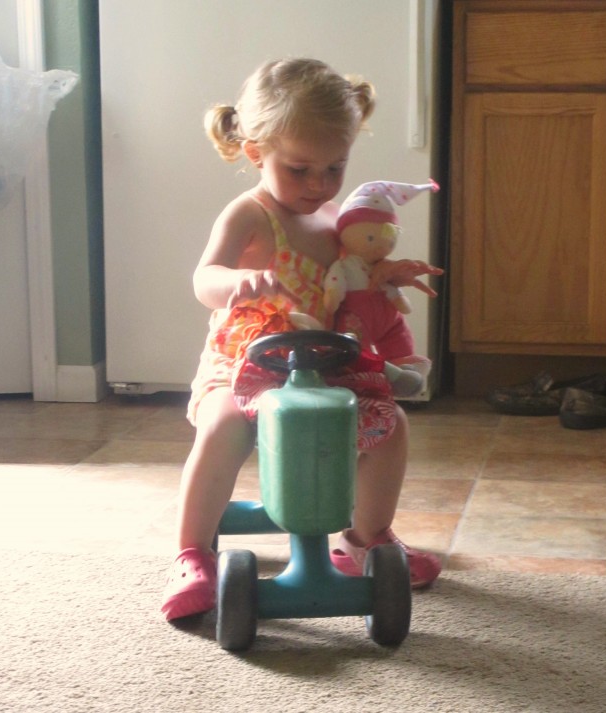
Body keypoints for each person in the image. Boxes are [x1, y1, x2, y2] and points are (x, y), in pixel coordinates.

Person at [161, 58, 442, 621]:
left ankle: (364, 538)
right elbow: (202, 279)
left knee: (391, 427)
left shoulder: (337, 218)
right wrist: (235, 282)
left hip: (324, 366)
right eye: (300, 169)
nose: (319, 185)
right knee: (223, 425)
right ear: (255, 153)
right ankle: (192, 553)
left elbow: (352, 284)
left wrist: (386, 278)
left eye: (334, 168)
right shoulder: (249, 214)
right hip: (246, 362)